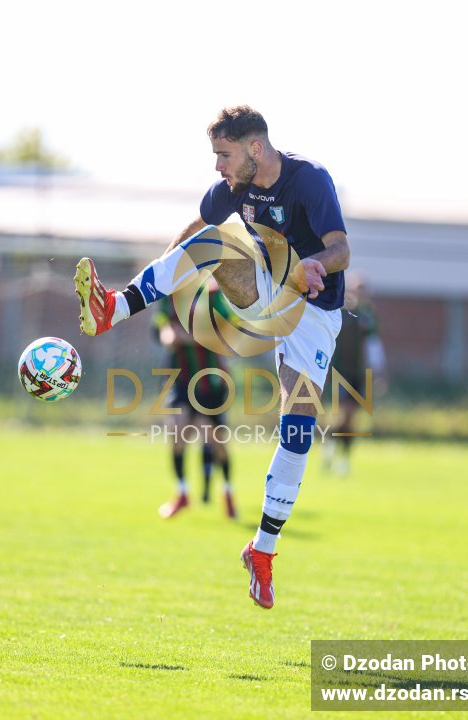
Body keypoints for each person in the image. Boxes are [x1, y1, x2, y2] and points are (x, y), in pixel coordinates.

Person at [74, 105, 350, 609]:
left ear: (255, 149)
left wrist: (314, 263)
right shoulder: (233, 189)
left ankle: (263, 551)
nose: (218, 166)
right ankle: (113, 308)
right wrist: (146, 286)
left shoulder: (309, 181)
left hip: (314, 314)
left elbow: (340, 251)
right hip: (268, 287)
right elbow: (193, 232)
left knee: (298, 427)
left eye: (223, 155)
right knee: (210, 242)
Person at [154, 281, 236, 520]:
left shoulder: (212, 295)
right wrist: (169, 336)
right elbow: (162, 326)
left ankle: (228, 492)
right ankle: (182, 493)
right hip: (181, 378)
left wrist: (192, 337)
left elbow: (227, 330)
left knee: (216, 443)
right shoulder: (168, 297)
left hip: (210, 381)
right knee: (177, 432)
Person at [324, 273, 385, 476]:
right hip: (341, 373)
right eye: (359, 288)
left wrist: (378, 373)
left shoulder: (368, 315)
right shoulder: (341, 312)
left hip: (360, 373)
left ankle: (342, 456)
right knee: (344, 414)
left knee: (351, 419)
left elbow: (373, 345)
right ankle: (333, 447)